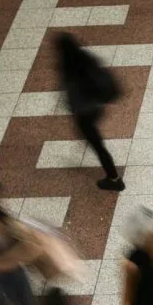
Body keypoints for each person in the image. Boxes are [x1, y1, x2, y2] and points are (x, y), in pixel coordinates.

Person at [55, 32, 125, 192]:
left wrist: (72, 107)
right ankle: (112, 175)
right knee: (93, 140)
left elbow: (73, 96)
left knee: (98, 146)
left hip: (84, 113)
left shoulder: (68, 68)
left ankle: (114, 179)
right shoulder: (85, 57)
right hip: (96, 108)